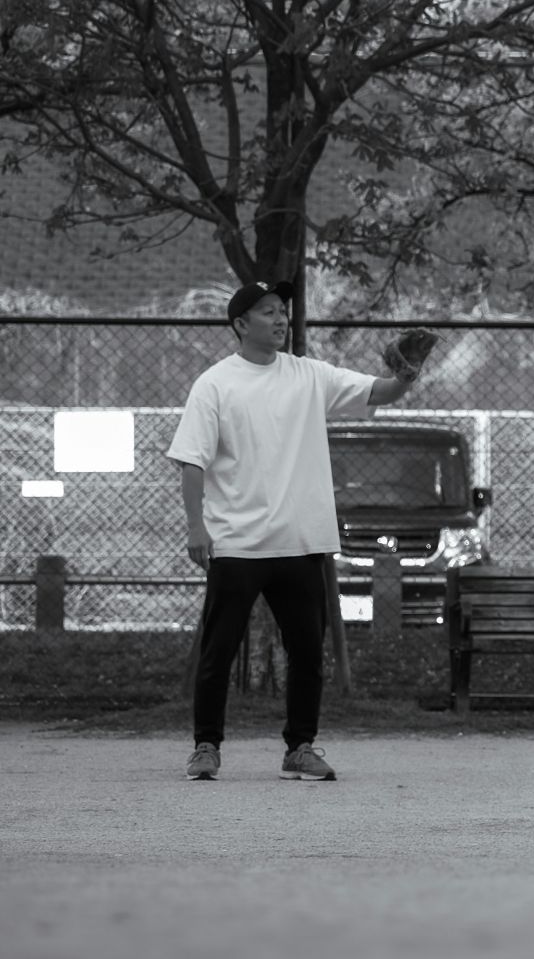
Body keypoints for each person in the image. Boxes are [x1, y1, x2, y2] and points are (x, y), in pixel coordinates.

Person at [166, 281, 422, 781]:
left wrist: (406, 375)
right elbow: (191, 462)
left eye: (283, 311)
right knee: (219, 650)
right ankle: (205, 747)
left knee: (307, 651)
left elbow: (380, 392)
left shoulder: (309, 375)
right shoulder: (215, 384)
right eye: (267, 312)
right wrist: (196, 526)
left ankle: (300, 747)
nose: (281, 319)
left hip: (302, 540)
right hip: (237, 542)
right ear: (241, 324)